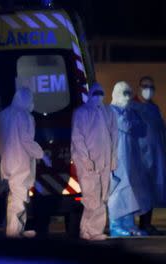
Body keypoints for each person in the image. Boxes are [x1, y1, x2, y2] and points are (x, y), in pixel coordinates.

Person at [0, 87, 45, 237]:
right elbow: (26, 141)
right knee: (19, 198)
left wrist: (5, 154)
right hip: (21, 163)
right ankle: (14, 232)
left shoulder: (3, 115)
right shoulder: (24, 116)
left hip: (7, 162)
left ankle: (18, 229)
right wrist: (41, 154)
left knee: (15, 195)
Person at [71, 82, 117, 240]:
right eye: (96, 93)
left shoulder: (107, 112)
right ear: (90, 94)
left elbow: (114, 136)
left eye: (101, 93)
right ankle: (91, 231)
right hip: (88, 163)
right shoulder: (82, 113)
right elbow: (77, 138)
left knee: (102, 197)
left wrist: (112, 158)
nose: (99, 97)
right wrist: (86, 160)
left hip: (104, 161)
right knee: (92, 198)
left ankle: (90, 231)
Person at [108, 81, 151, 237]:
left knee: (131, 192)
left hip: (131, 160)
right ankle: (115, 225)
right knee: (118, 192)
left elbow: (142, 130)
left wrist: (132, 120)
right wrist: (131, 121)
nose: (127, 97)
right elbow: (125, 126)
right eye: (124, 93)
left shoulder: (130, 112)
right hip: (117, 159)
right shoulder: (111, 111)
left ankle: (129, 224)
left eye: (129, 94)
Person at [133, 76, 166, 234]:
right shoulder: (133, 106)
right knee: (141, 193)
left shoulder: (154, 108)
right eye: (145, 86)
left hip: (154, 157)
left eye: (151, 87)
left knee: (151, 191)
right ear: (139, 87)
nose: (148, 90)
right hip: (139, 157)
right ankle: (140, 224)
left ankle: (147, 223)